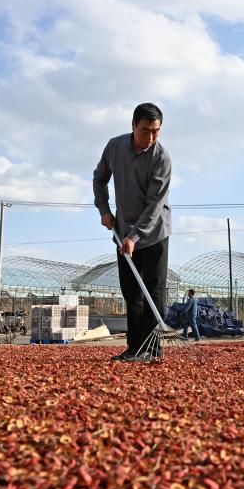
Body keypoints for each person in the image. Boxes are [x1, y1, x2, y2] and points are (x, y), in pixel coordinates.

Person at [93, 103, 172, 363]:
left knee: (153, 290)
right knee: (131, 291)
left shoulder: (161, 158)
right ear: (133, 125)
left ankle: (152, 350)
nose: (151, 137)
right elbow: (99, 177)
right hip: (123, 231)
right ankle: (134, 349)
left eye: (156, 131)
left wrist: (134, 238)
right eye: (145, 130)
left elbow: (155, 205)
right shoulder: (114, 147)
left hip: (154, 234)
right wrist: (104, 209)